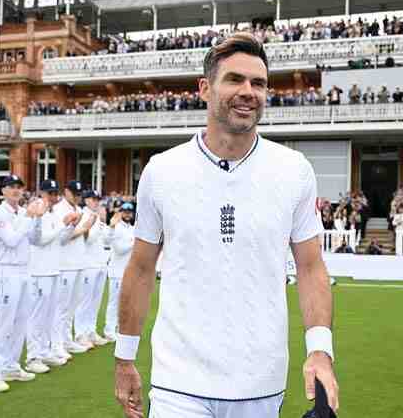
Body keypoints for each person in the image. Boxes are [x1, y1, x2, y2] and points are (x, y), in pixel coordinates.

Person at [114, 33, 339, 418]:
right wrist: (124, 357)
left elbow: (310, 265)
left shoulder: (294, 170)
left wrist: (320, 349)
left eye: (259, 83)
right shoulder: (163, 170)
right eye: (235, 79)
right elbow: (140, 267)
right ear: (205, 88)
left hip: (261, 382)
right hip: (178, 381)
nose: (248, 91)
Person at [0, 175, 47, 393]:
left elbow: (36, 240)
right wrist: (30, 218)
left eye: (19, 187)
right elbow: (11, 240)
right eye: (11, 187)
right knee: (4, 322)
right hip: (7, 271)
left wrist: (37, 219)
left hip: (24, 270)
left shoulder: (23, 213)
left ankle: (11, 365)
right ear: (2, 191)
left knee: (21, 321)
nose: (15, 190)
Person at [25, 180, 79, 371]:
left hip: (54, 269)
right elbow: (39, 240)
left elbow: (61, 241)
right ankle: (33, 357)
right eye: (49, 193)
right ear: (42, 193)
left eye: (55, 193)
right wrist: (61, 227)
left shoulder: (54, 215)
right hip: (39, 271)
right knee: (36, 316)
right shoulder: (35, 211)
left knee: (48, 315)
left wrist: (70, 226)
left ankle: (45, 351)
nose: (53, 197)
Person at [53, 181, 94, 355]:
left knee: (73, 305)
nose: (77, 196)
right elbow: (62, 238)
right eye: (74, 193)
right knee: (61, 307)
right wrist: (83, 228)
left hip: (79, 262)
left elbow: (84, 236)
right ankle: (57, 344)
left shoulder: (81, 210)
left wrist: (86, 229)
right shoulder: (59, 209)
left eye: (79, 193)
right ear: (66, 192)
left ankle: (67, 340)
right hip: (65, 264)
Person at [74, 190, 111, 347]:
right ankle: (80, 333)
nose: (96, 202)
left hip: (100, 263)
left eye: (98, 199)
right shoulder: (84, 215)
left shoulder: (97, 217)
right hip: (88, 264)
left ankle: (91, 330)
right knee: (85, 300)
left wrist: (103, 222)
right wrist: (98, 222)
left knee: (95, 301)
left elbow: (106, 240)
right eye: (93, 199)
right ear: (86, 200)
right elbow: (87, 239)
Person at [103, 201, 135, 342]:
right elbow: (120, 249)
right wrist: (136, 242)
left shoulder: (131, 228)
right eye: (125, 212)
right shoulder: (117, 227)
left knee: (125, 303)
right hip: (117, 272)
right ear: (121, 212)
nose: (127, 214)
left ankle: (119, 329)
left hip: (128, 272)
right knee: (114, 303)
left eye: (130, 212)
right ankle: (109, 330)